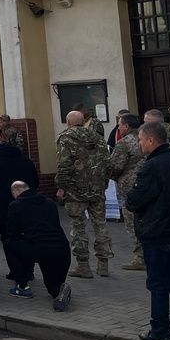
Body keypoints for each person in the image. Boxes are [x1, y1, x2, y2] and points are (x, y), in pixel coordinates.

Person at [128, 121, 170, 340]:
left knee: (157, 283)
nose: (139, 144)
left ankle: (159, 329)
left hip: (156, 233)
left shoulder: (151, 167)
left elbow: (135, 200)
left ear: (151, 141)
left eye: (140, 140)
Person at [56, 110, 113, 279]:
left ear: (68, 122)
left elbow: (64, 166)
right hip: (97, 189)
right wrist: (104, 183)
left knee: (78, 226)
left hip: (75, 191)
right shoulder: (97, 137)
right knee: (100, 225)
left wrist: (61, 186)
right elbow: (107, 164)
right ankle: (103, 265)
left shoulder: (65, 138)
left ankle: (83, 265)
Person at [3, 181, 72, 311]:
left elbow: (12, 233)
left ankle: (22, 287)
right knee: (53, 289)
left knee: (9, 244)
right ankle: (61, 290)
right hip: (61, 249)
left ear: (15, 191)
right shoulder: (49, 203)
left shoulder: (15, 205)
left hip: (39, 249)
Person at [0, 130, 38, 235]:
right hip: (26, 198)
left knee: (7, 231)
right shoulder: (26, 161)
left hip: (0, 202)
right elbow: (35, 180)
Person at [108, 113, 145, 271]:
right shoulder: (148, 138)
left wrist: (115, 177)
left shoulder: (124, 143)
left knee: (133, 224)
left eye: (120, 125)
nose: (119, 128)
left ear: (127, 126)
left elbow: (114, 166)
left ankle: (140, 258)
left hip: (130, 189)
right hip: (149, 186)